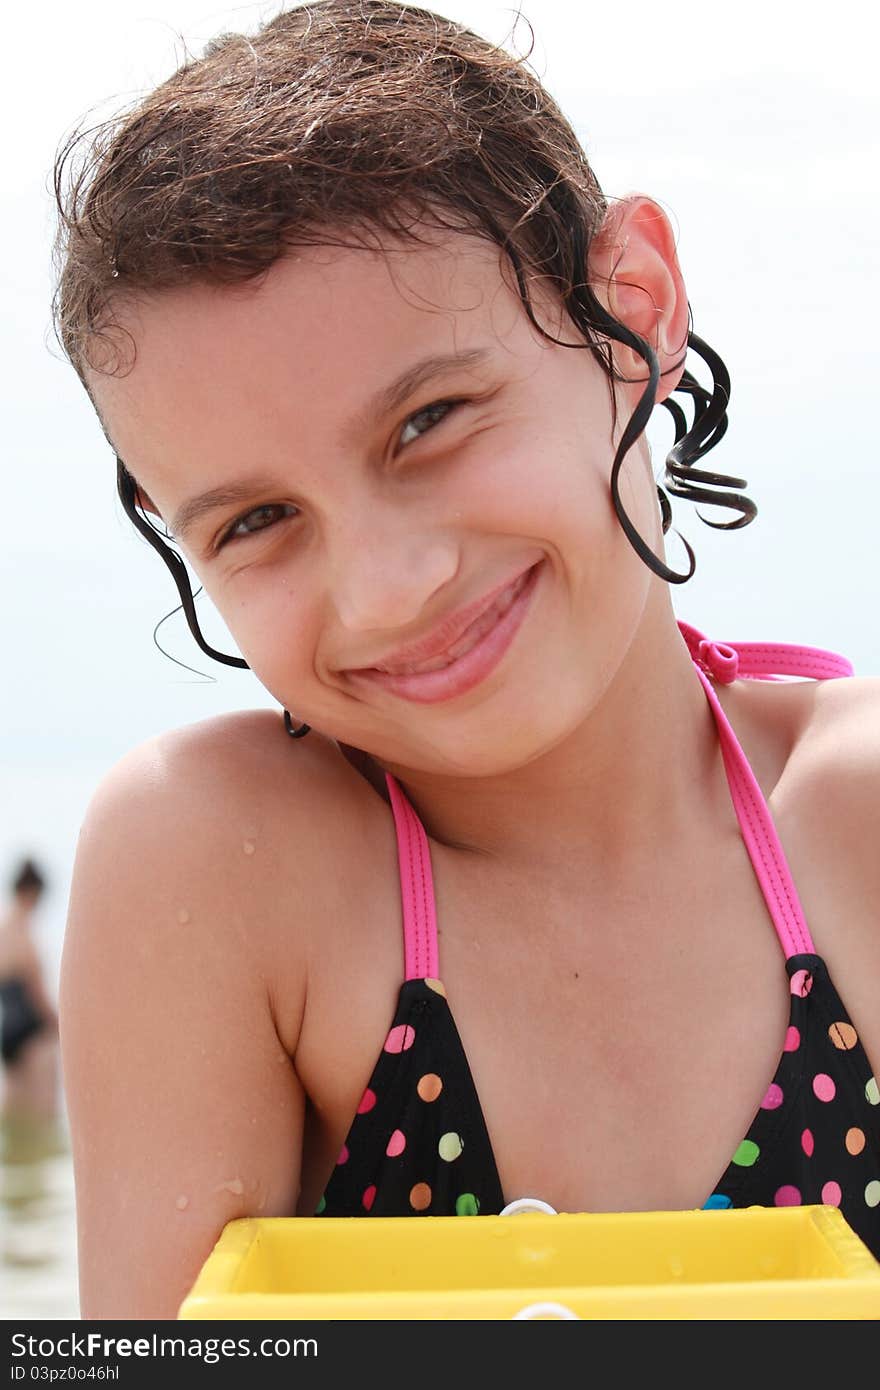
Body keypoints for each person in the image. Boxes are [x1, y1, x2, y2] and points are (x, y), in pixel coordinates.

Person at [53, 0, 879, 1320]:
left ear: (635, 309)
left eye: (427, 421)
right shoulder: (225, 865)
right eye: (257, 520)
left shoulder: (859, 820)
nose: (386, 588)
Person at [0, 859, 59, 1120]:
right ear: (32, 892)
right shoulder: (24, 932)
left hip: (9, 1035)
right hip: (34, 1033)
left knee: (12, 1115)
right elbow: (36, 992)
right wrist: (59, 1026)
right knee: (41, 1116)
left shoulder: (3, 931)